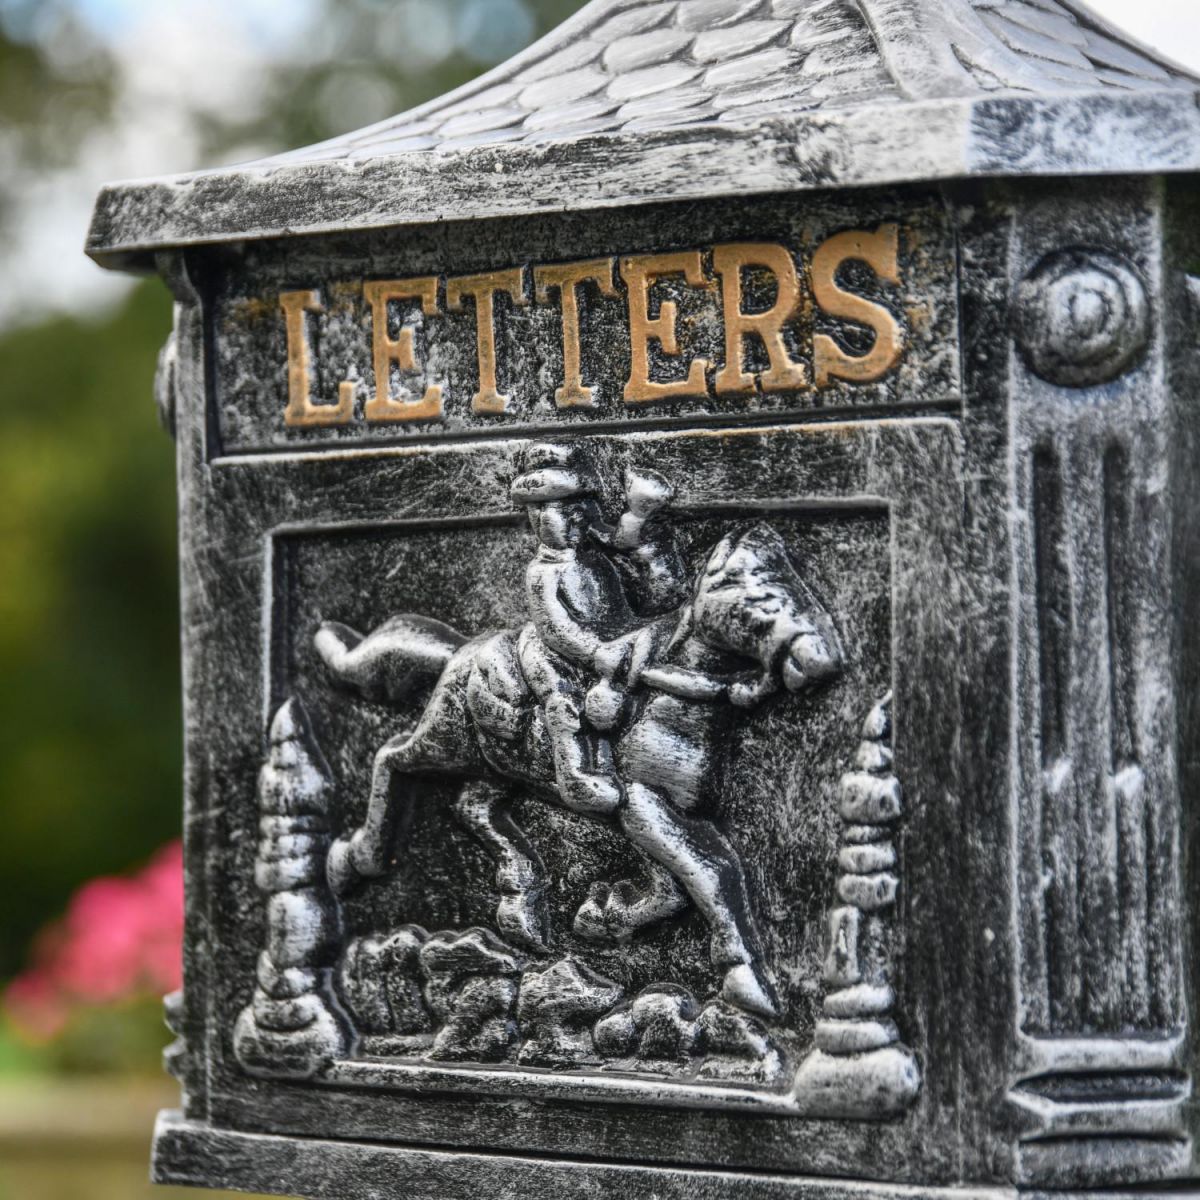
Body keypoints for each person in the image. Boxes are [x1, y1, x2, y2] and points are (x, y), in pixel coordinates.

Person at [510, 443, 683, 817]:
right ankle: (576, 771)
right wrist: (594, 652)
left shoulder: (591, 546)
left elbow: (622, 541)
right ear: (537, 517)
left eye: (579, 512)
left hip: (614, 638)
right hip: (559, 654)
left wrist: (639, 513)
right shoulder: (542, 573)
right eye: (562, 514)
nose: (575, 522)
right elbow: (555, 629)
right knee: (564, 702)